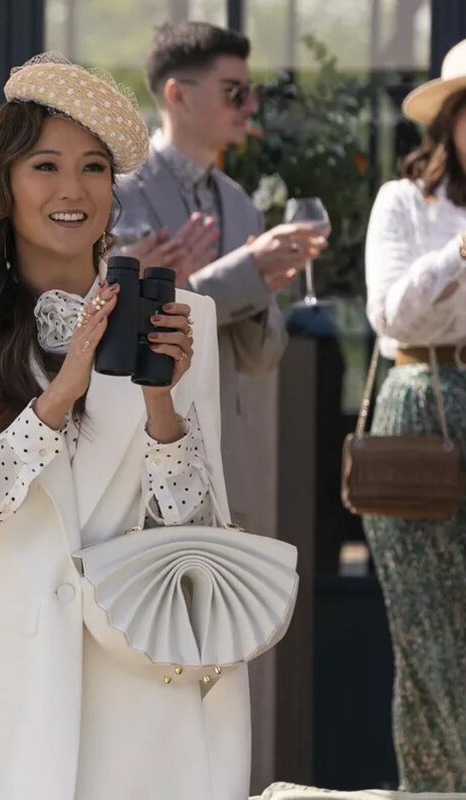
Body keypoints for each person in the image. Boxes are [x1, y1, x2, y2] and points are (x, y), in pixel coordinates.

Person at [0, 53, 248, 800]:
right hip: (10, 682)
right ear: (4, 185)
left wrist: (161, 403)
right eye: (45, 166)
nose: (73, 189)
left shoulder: (185, 320)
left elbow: (199, 525)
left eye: (93, 168)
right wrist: (61, 393)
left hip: (143, 683)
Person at [114, 21, 327, 532]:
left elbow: (264, 357)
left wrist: (260, 286)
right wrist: (246, 273)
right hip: (147, 462)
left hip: (237, 460)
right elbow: (123, 324)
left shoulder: (242, 205)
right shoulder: (120, 194)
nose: (249, 106)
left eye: (252, 92)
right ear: (177, 95)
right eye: (235, 92)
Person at [362, 38, 466, 793]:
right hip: (418, 409)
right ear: (451, 119)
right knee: (428, 634)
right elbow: (392, 316)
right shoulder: (404, 201)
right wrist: (458, 252)